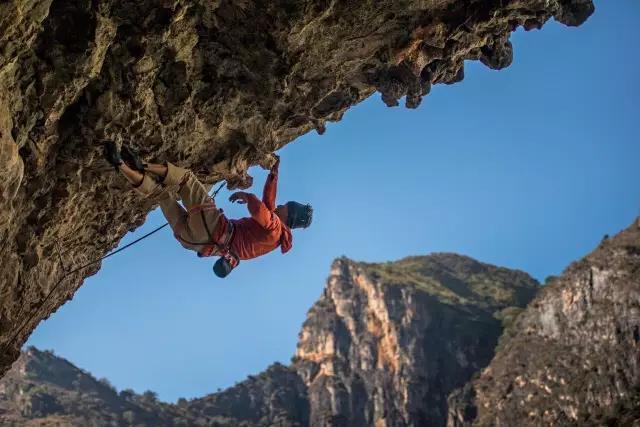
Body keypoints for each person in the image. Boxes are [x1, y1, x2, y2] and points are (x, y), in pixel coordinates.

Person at [103, 141, 312, 278]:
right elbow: (269, 203)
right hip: (194, 243)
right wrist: (274, 173)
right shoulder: (274, 237)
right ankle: (120, 165)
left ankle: (143, 165)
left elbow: (261, 211)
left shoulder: (276, 229)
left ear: (289, 215)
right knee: (161, 195)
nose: (282, 205)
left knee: (186, 179)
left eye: (286, 206)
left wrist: (247, 196)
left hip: (213, 228)